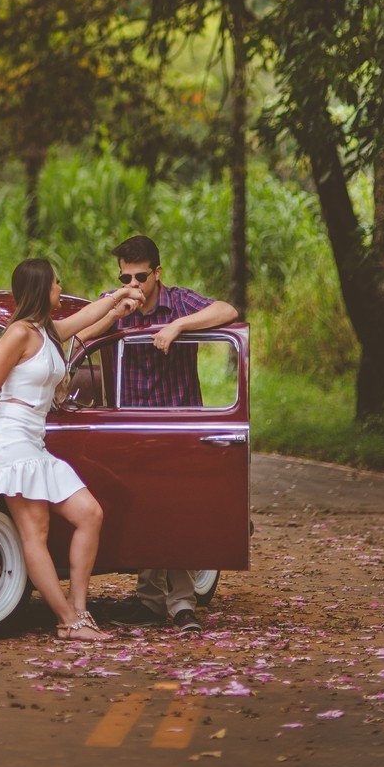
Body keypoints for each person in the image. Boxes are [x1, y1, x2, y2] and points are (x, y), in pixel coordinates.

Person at [0, 257, 136, 642]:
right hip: (10, 439)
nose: (61, 289)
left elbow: (88, 324)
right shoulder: (18, 334)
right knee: (36, 533)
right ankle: (67, 621)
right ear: (41, 289)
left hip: (34, 440)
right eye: (57, 283)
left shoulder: (46, 332)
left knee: (89, 514)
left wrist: (117, 304)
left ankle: (78, 609)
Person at [105, 232, 240, 633]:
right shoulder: (116, 302)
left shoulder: (178, 300)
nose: (133, 286)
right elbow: (83, 331)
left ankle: (180, 604)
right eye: (125, 278)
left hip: (176, 426)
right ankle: (150, 601)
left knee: (170, 513)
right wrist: (115, 307)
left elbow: (227, 310)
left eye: (141, 278)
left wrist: (178, 325)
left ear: (158, 273)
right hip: (132, 426)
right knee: (144, 513)